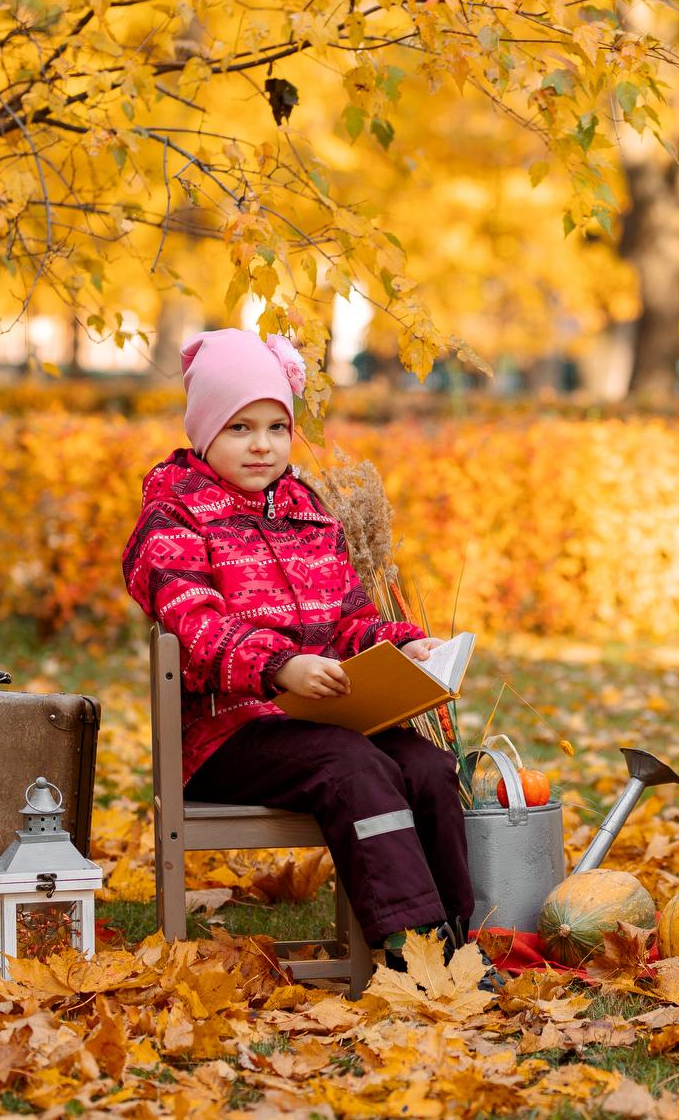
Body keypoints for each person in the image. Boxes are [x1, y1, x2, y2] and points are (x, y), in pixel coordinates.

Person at [122, 328, 500, 989]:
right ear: (206, 429)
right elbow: (194, 622)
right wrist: (277, 666)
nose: (262, 444)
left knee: (429, 766)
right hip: (227, 736)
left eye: (276, 426)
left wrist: (401, 646)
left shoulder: (306, 511)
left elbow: (350, 617)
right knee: (353, 768)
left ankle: (457, 940)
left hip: (317, 723)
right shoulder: (175, 516)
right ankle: (412, 948)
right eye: (240, 427)